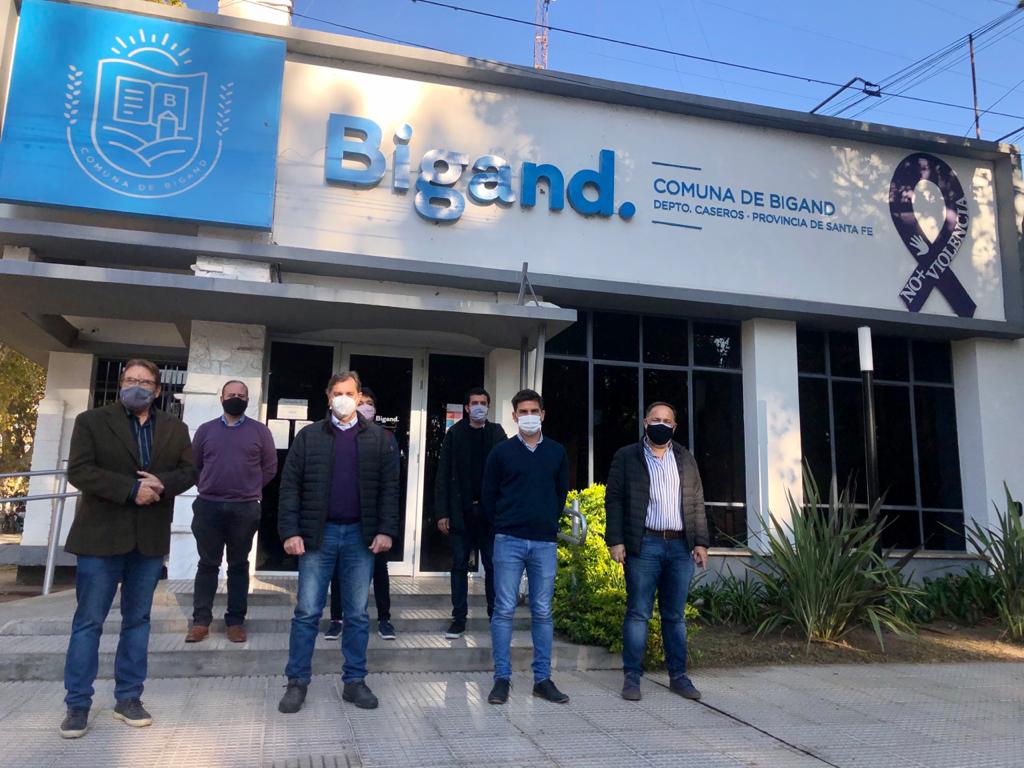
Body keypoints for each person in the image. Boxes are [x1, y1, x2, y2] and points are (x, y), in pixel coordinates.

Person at [59, 359, 197, 739]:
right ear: (121, 384)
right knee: (89, 622)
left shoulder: (175, 428)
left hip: (147, 541)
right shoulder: (92, 421)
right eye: (131, 380)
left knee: (138, 622)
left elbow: (189, 472)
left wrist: (161, 484)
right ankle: (77, 705)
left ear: (157, 390)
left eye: (145, 382)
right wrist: (130, 489)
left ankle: (129, 698)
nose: (137, 386)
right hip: (100, 539)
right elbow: (79, 471)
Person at [277, 372, 400, 713]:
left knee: (357, 614)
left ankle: (355, 681)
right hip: (319, 535)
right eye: (337, 393)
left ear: (359, 397)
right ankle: (297, 682)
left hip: (361, 536)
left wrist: (386, 530)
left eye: (349, 393)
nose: (343, 399)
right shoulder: (309, 436)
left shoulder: (378, 439)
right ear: (328, 397)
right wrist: (290, 531)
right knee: (307, 612)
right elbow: (290, 486)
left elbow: (390, 489)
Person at [604, 401, 709, 702]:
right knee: (638, 613)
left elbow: (696, 501)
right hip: (645, 545)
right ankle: (632, 678)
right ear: (645, 423)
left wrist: (701, 542)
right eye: (655, 419)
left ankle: (679, 676)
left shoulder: (686, 458)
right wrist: (616, 540)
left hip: (680, 546)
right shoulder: (627, 457)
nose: (661, 424)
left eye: (667, 420)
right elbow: (615, 500)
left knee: (674, 616)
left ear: (674, 427)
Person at [483, 388, 570, 706]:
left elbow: (560, 494)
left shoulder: (557, 452)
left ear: (543, 414)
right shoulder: (501, 453)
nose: (529, 416)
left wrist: (545, 522)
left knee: (543, 611)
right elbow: (489, 494)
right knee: (503, 609)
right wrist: (502, 525)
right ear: (514, 416)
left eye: (534, 411)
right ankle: (502, 679)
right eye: (523, 412)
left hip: (544, 542)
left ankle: (542, 679)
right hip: (508, 540)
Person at [185, 380, 277, 644]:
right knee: (207, 564)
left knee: (238, 565)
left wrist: (249, 488)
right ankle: (200, 622)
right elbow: (194, 464)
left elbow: (270, 467)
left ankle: (235, 622)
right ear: (221, 398)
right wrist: (209, 485)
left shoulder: (260, 431)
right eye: (231, 394)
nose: (236, 398)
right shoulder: (206, 430)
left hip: (244, 508)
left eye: (241, 395)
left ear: (248, 400)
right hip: (208, 506)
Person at [325, 386, 396, 641]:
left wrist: (386, 525)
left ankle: (385, 619)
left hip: (374, 520)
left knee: (379, 570)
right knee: (339, 571)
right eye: (362, 401)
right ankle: (336, 618)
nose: (366, 406)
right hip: (346, 517)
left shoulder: (385, 438)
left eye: (370, 403)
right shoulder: (341, 434)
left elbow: (391, 482)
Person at [436, 386, 506, 638]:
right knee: (459, 566)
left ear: (488, 406)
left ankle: (495, 616)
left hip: (490, 515)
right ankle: (459, 618)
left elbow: (507, 472)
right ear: (466, 407)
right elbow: (443, 474)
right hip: (460, 512)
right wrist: (442, 512)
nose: (479, 407)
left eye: (483, 403)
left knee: (493, 566)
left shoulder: (497, 433)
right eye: (474, 403)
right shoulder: (454, 434)